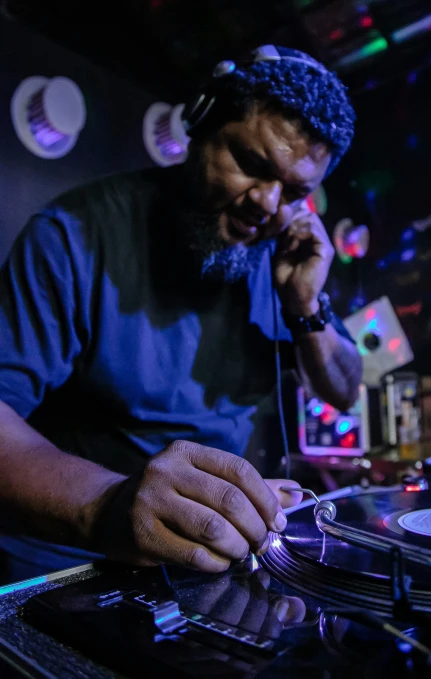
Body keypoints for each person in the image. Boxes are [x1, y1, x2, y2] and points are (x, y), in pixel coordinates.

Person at [0, 45, 361, 584]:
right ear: (200, 122)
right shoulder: (74, 234)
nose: (266, 204)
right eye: (252, 164)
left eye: (294, 191)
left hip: (204, 561)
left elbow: (344, 390)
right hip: (64, 566)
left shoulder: (281, 259)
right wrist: (111, 506)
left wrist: (306, 307)